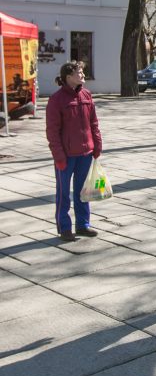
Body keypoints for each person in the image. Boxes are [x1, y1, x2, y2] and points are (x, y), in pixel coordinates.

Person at [45, 61, 101, 242]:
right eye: (79, 71)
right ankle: (65, 227)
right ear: (68, 76)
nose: (83, 74)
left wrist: (97, 143)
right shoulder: (56, 100)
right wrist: (59, 156)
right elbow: (52, 131)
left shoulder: (86, 95)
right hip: (66, 156)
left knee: (83, 192)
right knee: (63, 193)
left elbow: (93, 122)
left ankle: (83, 225)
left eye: (82, 71)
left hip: (85, 153)